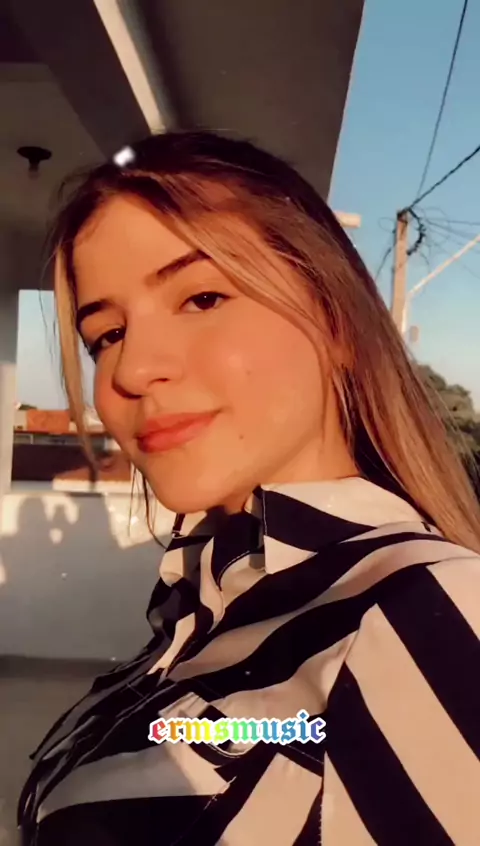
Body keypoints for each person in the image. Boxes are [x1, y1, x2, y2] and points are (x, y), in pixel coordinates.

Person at [18, 131, 480, 845]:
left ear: (336, 320)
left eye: (202, 297)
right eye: (106, 335)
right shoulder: (199, 613)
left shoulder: (429, 613)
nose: (131, 370)